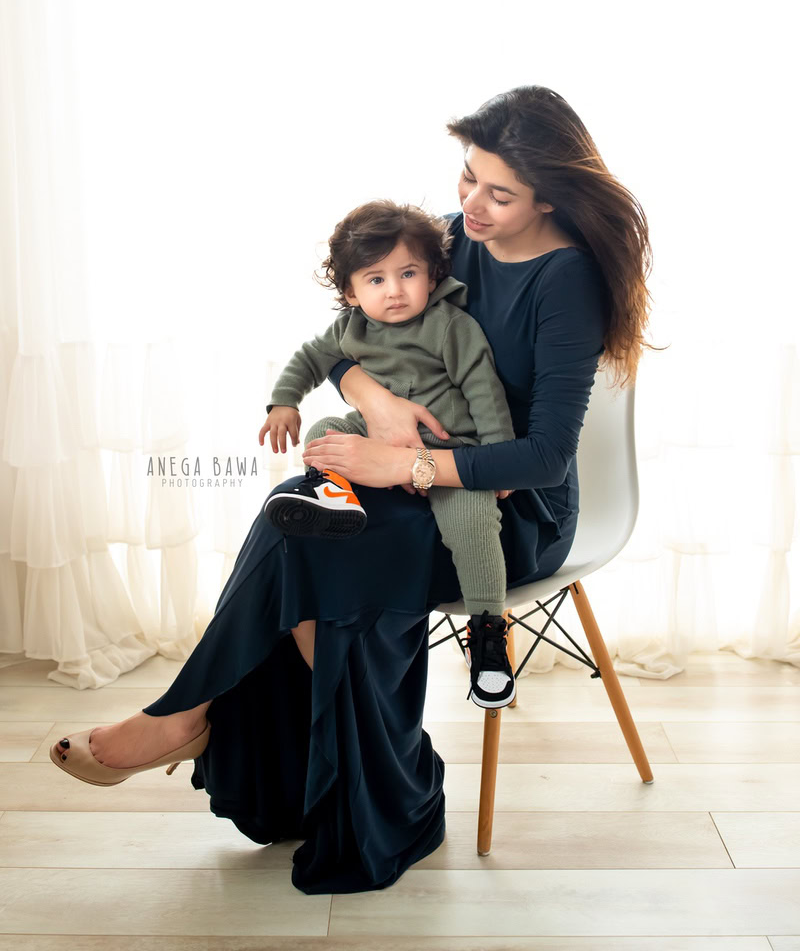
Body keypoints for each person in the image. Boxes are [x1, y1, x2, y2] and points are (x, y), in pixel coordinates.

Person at [48, 85, 657, 897]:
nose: (469, 204)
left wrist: (399, 467)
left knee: (330, 548)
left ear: (551, 195)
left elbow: (545, 458)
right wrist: (375, 402)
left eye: (497, 193)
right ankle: (300, 759)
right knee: (302, 513)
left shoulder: (566, 281)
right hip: (414, 467)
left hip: (507, 509)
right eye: (467, 177)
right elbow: (349, 330)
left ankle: (202, 718)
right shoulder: (452, 237)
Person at [260, 198, 520, 708]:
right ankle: (331, 495)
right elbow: (310, 358)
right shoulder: (349, 329)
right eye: (375, 279)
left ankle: (489, 632)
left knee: (472, 523)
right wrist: (283, 401)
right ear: (351, 291)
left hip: (450, 452)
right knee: (326, 430)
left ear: (432, 275)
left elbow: (484, 391)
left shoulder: (450, 326)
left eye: (408, 274)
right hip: (375, 444)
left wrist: (498, 456)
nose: (395, 290)